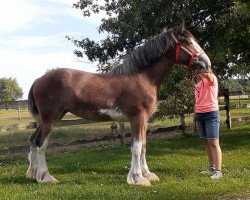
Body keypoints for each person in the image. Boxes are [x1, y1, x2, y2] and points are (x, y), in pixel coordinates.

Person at [193, 68, 223, 179]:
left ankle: (218, 171)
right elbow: (197, 101)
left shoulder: (212, 78)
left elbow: (209, 76)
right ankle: (211, 167)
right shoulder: (199, 84)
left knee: (214, 142)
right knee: (206, 143)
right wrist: (194, 116)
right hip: (200, 115)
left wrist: (200, 68)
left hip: (211, 114)